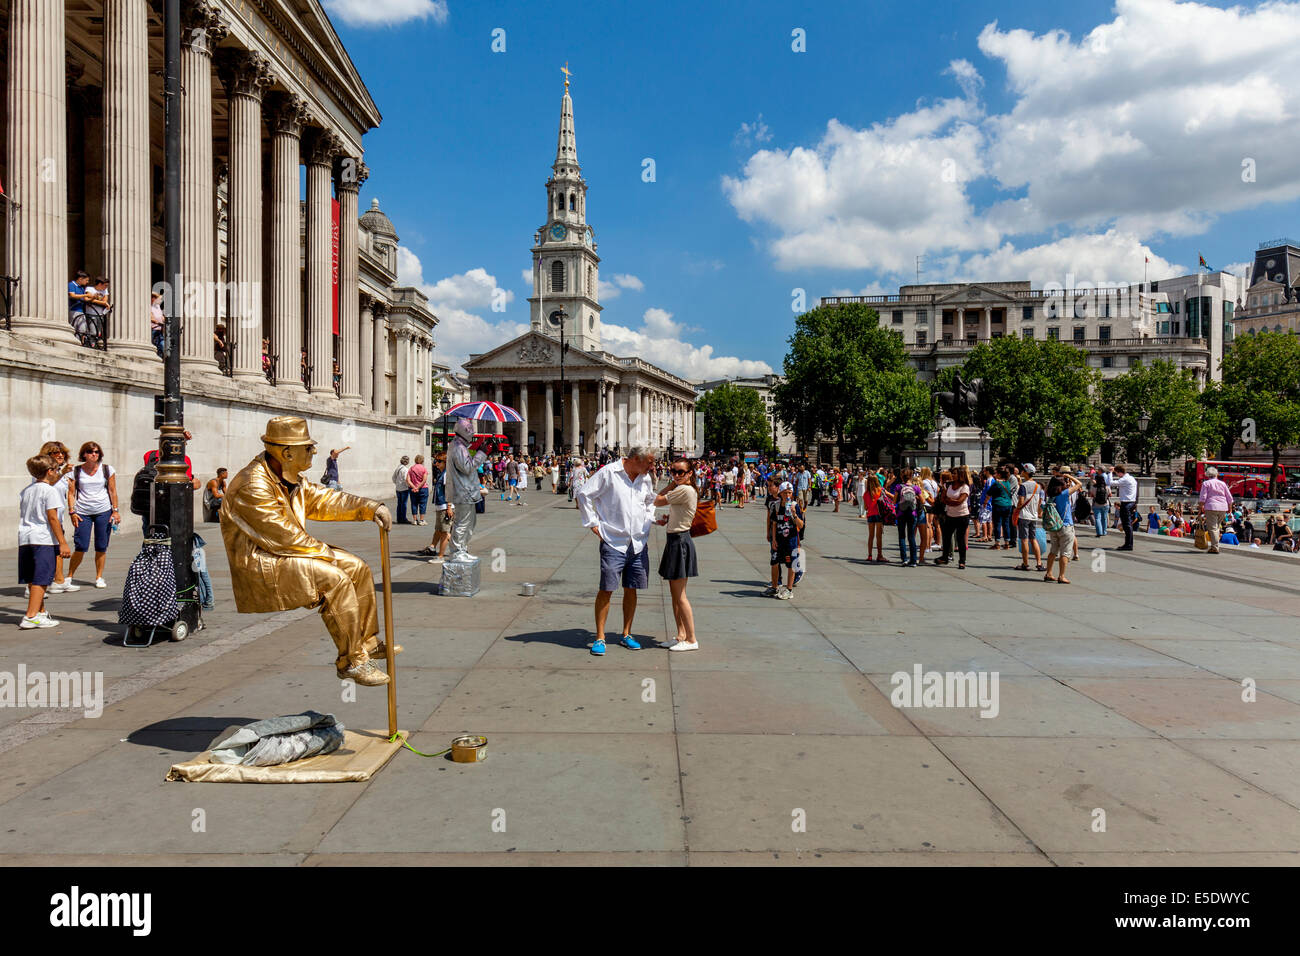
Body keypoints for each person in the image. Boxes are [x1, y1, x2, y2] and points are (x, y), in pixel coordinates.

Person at [220, 416, 395, 686]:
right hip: (262, 561)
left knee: (357, 567)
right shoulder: (252, 484)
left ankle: (367, 643)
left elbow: (326, 499)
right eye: (308, 447)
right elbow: (284, 537)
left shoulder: (291, 479)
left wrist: (370, 507)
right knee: (334, 579)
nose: (313, 451)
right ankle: (351, 661)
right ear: (287, 453)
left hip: (284, 552)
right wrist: (330, 555)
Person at [574, 446, 658, 655]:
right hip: (613, 541)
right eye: (649, 462)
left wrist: (651, 519)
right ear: (636, 459)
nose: (652, 466)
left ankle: (626, 633)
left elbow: (649, 502)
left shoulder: (644, 478)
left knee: (632, 588)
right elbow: (584, 493)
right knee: (607, 588)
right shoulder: (609, 472)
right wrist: (592, 523)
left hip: (638, 542)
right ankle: (600, 637)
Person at [18, 455, 72, 628]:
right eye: (56, 470)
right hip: (43, 539)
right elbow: (53, 518)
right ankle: (31, 615)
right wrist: (62, 542)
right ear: (49, 472)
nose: (57, 473)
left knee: (33, 577)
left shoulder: (27, 490)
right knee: (42, 578)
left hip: (26, 538)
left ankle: (40, 613)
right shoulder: (50, 491)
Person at [654, 458, 699, 651]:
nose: (676, 475)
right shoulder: (684, 490)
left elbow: (657, 499)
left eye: (681, 472)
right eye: (673, 471)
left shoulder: (684, 489)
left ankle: (691, 639)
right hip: (676, 539)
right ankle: (681, 635)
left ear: (689, 474)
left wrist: (672, 483)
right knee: (675, 594)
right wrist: (669, 519)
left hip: (680, 541)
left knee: (680, 595)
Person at [66, 441, 119, 589]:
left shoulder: (107, 469)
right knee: (81, 545)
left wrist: (115, 511)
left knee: (101, 546)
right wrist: (72, 511)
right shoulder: (75, 471)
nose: (93, 454)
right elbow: (70, 493)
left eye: (96, 452)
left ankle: (99, 577)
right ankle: (69, 576)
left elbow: (112, 491)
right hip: (83, 512)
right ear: (84, 454)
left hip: (103, 510)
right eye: (90, 452)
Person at [447, 420, 491, 561]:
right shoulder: (458, 447)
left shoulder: (460, 446)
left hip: (466, 491)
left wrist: (479, 449)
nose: (472, 436)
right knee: (463, 523)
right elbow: (467, 467)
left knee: (470, 523)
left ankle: (462, 549)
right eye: (471, 434)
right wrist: (482, 453)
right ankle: (457, 552)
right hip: (464, 491)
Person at [37, 441, 77, 593]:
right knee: (48, 550)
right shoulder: (43, 472)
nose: (60, 455)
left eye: (62, 453)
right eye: (55, 453)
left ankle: (59, 580)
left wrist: (73, 511)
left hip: (58, 516)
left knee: (59, 549)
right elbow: (47, 484)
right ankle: (33, 584)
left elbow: (69, 494)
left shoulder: (61, 472)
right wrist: (62, 474)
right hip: (46, 517)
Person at [766, 481, 804, 599]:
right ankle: (774, 587)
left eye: (789, 493)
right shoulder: (776, 506)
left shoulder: (795, 506)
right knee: (774, 562)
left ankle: (789, 589)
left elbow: (801, 525)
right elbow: (774, 523)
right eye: (785, 493)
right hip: (779, 539)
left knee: (791, 564)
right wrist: (773, 539)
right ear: (780, 493)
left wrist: (794, 514)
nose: (787, 495)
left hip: (791, 540)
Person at [1043, 473, 1082, 583]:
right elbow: (1079, 484)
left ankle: (1049, 573)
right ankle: (1061, 576)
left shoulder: (1050, 494)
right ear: (1061, 484)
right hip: (1065, 526)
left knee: (1053, 550)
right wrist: (1069, 476)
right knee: (1065, 552)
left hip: (1054, 526)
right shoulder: (1064, 494)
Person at [421, 451, 453, 563]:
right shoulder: (441, 473)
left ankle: (441, 556)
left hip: (445, 506)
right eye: (436, 461)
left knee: (445, 532)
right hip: (441, 506)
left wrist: (449, 506)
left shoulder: (446, 474)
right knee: (440, 530)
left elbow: (450, 491)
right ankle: (458, 548)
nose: (436, 463)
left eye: (439, 461)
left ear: (445, 462)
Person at [937, 465, 972, 568]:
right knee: (947, 537)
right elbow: (943, 499)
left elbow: (960, 501)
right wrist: (950, 501)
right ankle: (944, 557)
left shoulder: (965, 487)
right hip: (950, 515)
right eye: (952, 473)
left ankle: (962, 561)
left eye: (955, 473)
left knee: (960, 538)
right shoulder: (948, 485)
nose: (952, 475)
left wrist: (949, 501)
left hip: (962, 515)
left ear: (961, 475)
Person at [1197, 465, 1234, 554]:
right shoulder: (1223, 483)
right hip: (1223, 507)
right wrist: (1230, 508)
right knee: (1217, 527)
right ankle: (1215, 545)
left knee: (1212, 528)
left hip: (1211, 507)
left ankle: (1215, 547)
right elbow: (1229, 497)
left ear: (1207, 475)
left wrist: (1200, 508)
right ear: (1216, 474)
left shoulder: (1206, 483)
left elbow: (1203, 497)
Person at [1014, 464, 1044, 572]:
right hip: (1033, 516)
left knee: (1024, 540)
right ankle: (1039, 563)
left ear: (1026, 472)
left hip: (1024, 516)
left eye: (1023, 470)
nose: (1021, 471)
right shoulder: (1038, 486)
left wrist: (1016, 508)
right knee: (1033, 539)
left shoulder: (1024, 486)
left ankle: (1025, 564)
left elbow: (1021, 501)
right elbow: (1040, 502)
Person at [892, 468, 923, 566]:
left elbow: (894, 501)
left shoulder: (898, 487)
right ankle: (913, 560)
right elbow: (923, 501)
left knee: (902, 536)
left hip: (901, 513)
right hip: (912, 513)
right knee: (911, 537)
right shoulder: (916, 488)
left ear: (902, 476)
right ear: (911, 476)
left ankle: (904, 559)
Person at [1113, 464, 1138, 551]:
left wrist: (1109, 473)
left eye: (1116, 473)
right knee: (1127, 524)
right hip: (1131, 502)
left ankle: (1128, 544)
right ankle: (1128, 544)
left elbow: (1111, 483)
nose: (1117, 475)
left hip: (1126, 503)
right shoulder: (1131, 478)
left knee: (1127, 525)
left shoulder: (1125, 479)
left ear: (1119, 472)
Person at [407, 454, 429, 526]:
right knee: (423, 504)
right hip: (423, 489)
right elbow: (424, 480)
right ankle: (421, 520)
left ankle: (415, 520)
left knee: (414, 504)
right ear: (422, 461)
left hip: (413, 489)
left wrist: (414, 487)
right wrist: (418, 487)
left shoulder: (411, 468)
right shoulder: (423, 468)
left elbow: (407, 480)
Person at [393, 456, 412, 524]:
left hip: (398, 488)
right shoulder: (405, 469)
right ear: (407, 462)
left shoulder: (398, 468)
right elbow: (406, 479)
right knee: (404, 504)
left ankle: (399, 518)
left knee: (399, 504)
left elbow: (393, 478)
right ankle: (403, 518)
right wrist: (408, 486)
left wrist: (397, 483)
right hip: (404, 489)